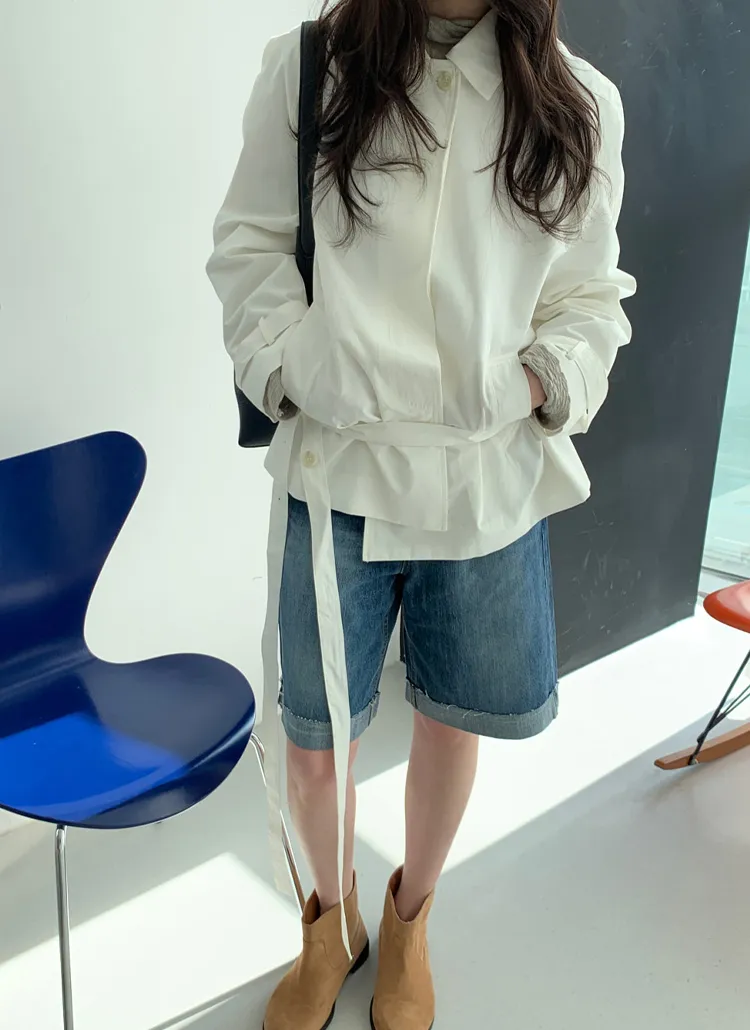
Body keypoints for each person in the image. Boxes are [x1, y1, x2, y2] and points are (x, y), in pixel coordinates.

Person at [207, 1, 636, 1028]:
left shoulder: (578, 100)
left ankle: (410, 919)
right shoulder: (310, 66)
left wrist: (532, 382)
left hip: (485, 480)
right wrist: (296, 365)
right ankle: (329, 924)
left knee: (450, 720)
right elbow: (249, 245)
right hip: (337, 471)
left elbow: (589, 298)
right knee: (314, 741)